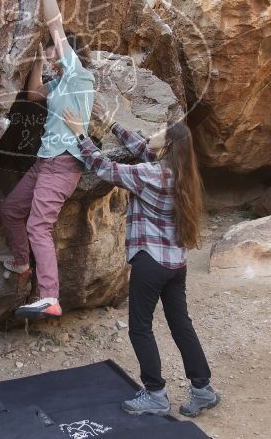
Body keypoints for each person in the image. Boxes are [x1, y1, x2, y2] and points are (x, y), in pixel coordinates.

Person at [62, 102, 219, 418]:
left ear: (169, 144)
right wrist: (110, 123)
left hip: (151, 264)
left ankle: (156, 394)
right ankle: (202, 389)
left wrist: (80, 134)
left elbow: (106, 169)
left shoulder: (151, 174)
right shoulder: (181, 173)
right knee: (180, 323)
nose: (154, 134)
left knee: (140, 328)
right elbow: (142, 148)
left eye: (161, 132)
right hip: (176, 264)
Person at [0, 0, 95, 319]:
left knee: (39, 225)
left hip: (64, 163)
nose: (55, 54)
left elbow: (55, 26)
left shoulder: (79, 75)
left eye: (57, 52)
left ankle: (49, 296)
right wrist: (39, 59)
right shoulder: (60, 83)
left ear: (70, 56)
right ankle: (22, 264)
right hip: (44, 163)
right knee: (11, 210)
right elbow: (34, 93)